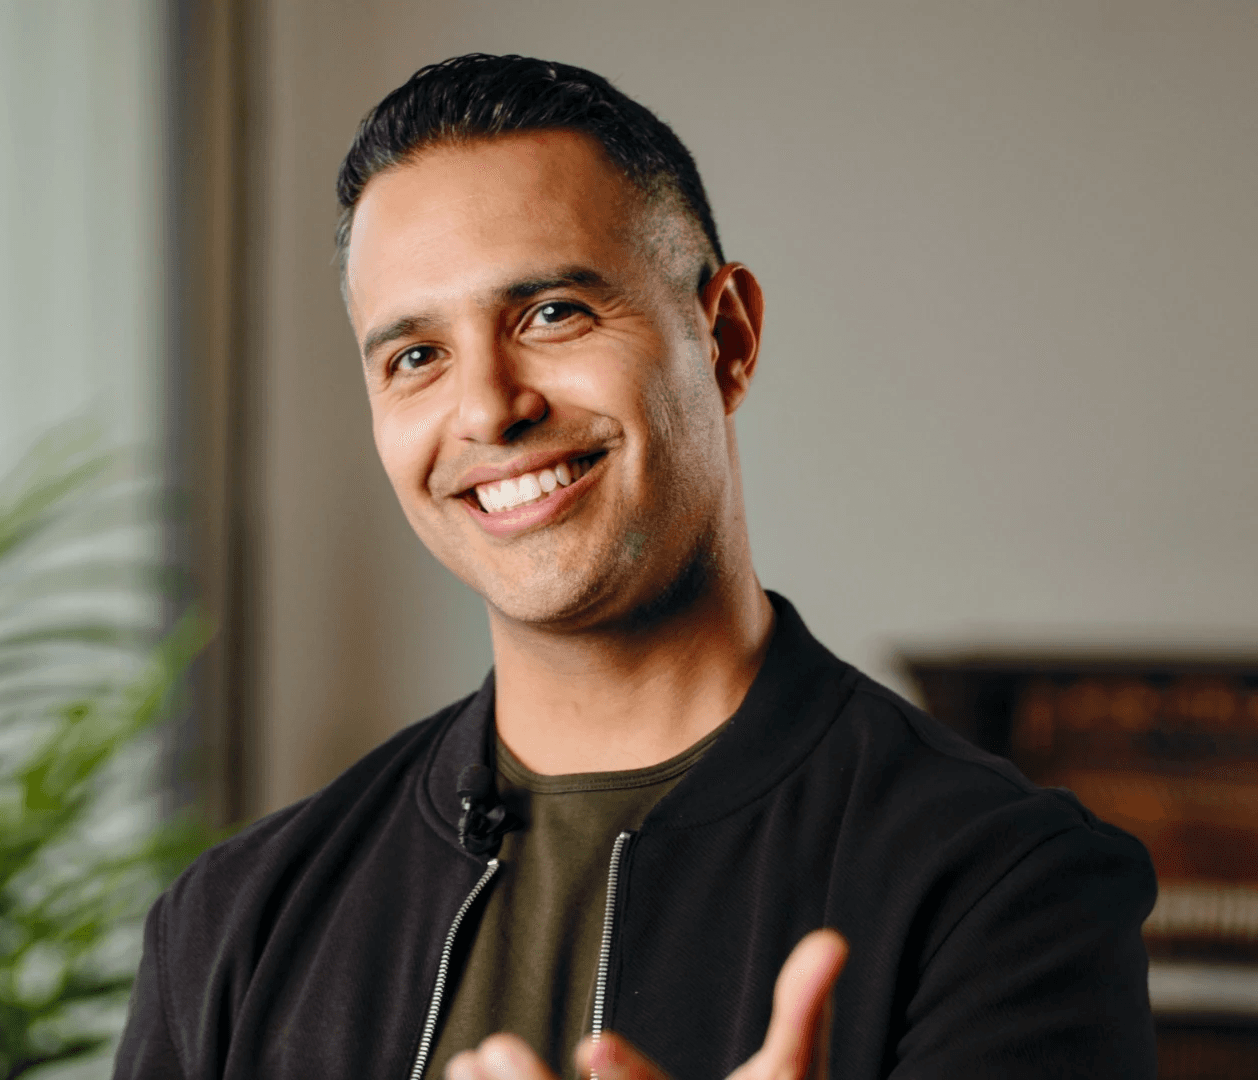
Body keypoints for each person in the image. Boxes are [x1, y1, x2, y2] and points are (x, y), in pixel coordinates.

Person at [114, 54, 1156, 1080]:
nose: (487, 407)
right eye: (416, 357)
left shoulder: (1004, 891)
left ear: (727, 335)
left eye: (552, 312)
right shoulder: (230, 929)